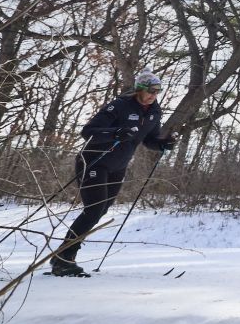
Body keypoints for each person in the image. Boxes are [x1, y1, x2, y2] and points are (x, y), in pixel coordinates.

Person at [49, 70, 177, 277]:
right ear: (140, 89)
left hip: (118, 166)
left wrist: (163, 143)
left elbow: (149, 139)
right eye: (151, 90)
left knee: (101, 211)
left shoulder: (154, 111)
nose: (154, 94)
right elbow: (88, 132)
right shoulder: (119, 106)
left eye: (158, 91)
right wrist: (115, 133)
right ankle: (64, 259)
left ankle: (61, 256)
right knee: (93, 209)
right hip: (94, 161)